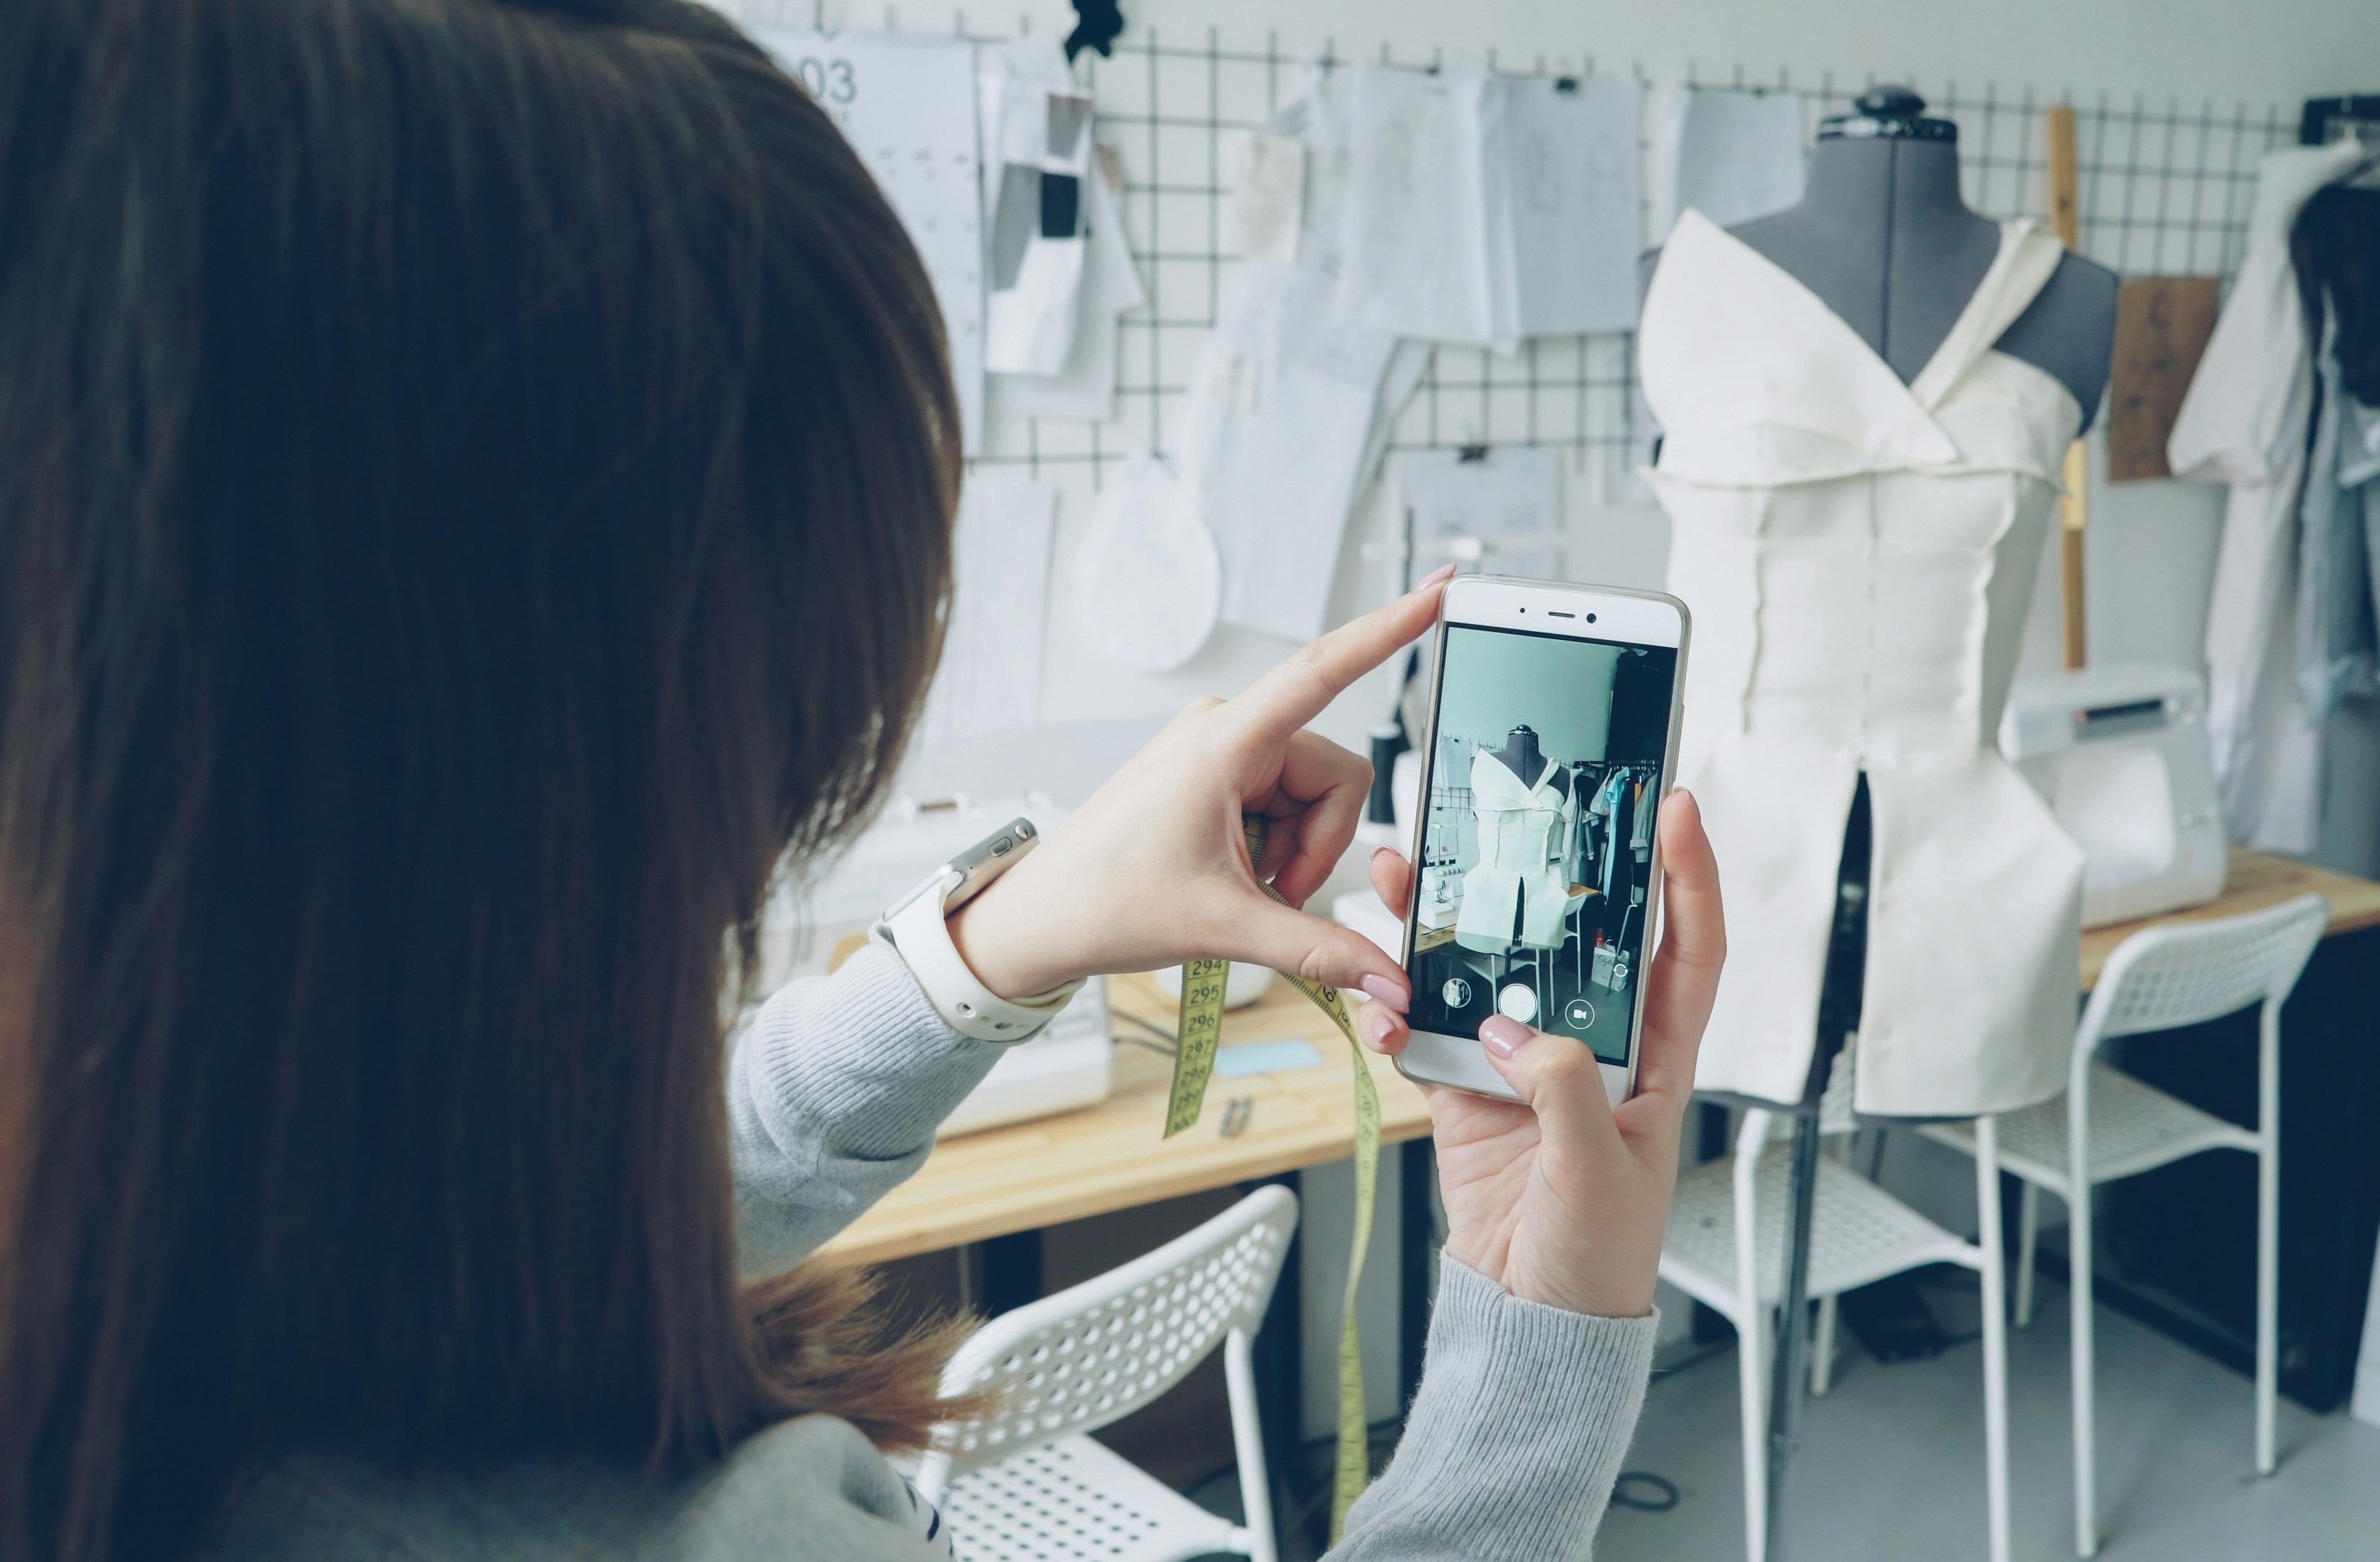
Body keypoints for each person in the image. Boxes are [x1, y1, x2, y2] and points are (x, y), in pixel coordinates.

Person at [0, 2, 1726, 1559]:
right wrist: (1538, 1343)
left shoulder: (180, 1287)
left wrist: (1000, 936)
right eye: (751, 811)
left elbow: (585, 1192)